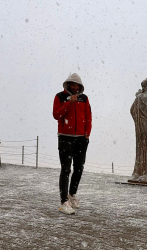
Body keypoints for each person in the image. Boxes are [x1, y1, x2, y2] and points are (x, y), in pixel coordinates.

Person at [53, 73, 92, 215]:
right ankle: (64, 202)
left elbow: (88, 116)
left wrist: (87, 134)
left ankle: (72, 194)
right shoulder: (60, 97)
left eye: (77, 85)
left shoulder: (84, 98)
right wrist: (69, 103)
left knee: (79, 168)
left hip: (81, 138)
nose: (75, 87)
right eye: (72, 84)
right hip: (65, 137)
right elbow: (56, 115)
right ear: (68, 84)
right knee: (65, 169)